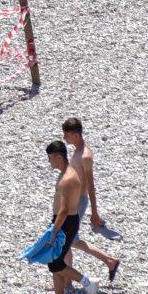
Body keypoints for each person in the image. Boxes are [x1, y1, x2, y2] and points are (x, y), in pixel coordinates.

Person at [62, 118, 122, 282]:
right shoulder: (77, 150)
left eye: (66, 135)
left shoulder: (85, 156)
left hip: (78, 202)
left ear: (76, 135)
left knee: (65, 240)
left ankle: (67, 282)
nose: (64, 138)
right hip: (72, 200)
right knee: (70, 240)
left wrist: (94, 213)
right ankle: (110, 261)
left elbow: (91, 185)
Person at [42, 141, 100, 294]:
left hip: (65, 223)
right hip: (63, 221)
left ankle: (88, 283)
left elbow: (64, 210)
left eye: (50, 158)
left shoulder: (67, 178)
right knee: (54, 261)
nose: (49, 161)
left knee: (56, 264)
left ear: (59, 158)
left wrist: (54, 232)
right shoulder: (65, 173)